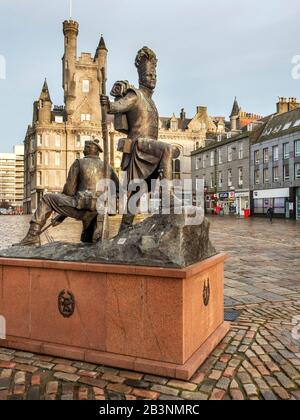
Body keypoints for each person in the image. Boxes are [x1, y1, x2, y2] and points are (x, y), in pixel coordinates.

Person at [100, 47, 174, 232]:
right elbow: (117, 106)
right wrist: (108, 104)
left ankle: (124, 229)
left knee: (136, 192)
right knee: (167, 149)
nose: (153, 78)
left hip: (148, 151)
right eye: (149, 74)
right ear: (141, 76)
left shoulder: (151, 101)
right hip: (139, 147)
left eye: (154, 74)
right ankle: (169, 197)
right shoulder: (135, 94)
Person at [17, 139, 119, 246]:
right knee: (87, 241)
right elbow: (119, 192)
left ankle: (32, 236)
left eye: (85, 147)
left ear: (89, 149)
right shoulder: (108, 167)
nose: (83, 150)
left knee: (47, 199)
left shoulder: (79, 163)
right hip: (99, 210)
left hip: (82, 208)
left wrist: (62, 214)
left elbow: (69, 192)